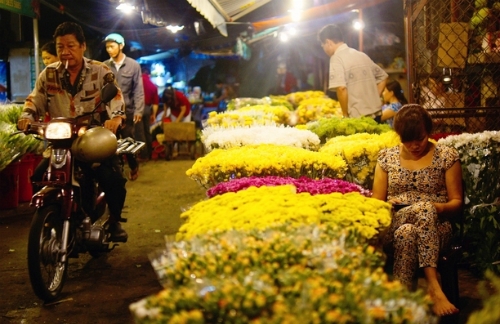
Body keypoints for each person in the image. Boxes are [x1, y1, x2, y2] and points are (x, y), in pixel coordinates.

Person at [17, 22, 128, 242]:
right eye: (60, 47)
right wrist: (26, 117)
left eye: (70, 46)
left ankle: (114, 220)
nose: (65, 51)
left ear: (82, 46)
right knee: (39, 176)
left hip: (93, 140)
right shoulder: (48, 74)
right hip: (61, 143)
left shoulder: (100, 70)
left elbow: (116, 97)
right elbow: (34, 100)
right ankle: (54, 217)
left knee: (112, 179)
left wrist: (116, 117)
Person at [371, 104, 462, 317]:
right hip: (395, 220)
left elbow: (457, 201)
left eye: (419, 138)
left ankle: (403, 303)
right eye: (406, 140)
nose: (414, 145)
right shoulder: (386, 158)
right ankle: (433, 284)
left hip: (438, 225)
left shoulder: (446, 156)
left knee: (408, 233)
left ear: (428, 131)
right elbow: (377, 202)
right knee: (409, 223)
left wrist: (435, 208)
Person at [318, 24, 388, 119]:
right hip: (377, 113)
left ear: (328, 42)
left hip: (358, 118)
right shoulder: (361, 55)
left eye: (323, 46)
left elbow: (341, 88)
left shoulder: (336, 58)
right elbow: (383, 77)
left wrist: (345, 114)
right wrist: (375, 97)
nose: (324, 49)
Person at [104, 33, 144, 179]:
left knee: (128, 141)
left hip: (127, 110)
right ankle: (116, 171)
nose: (109, 49)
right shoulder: (104, 66)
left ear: (121, 46)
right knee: (110, 143)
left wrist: (139, 110)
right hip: (109, 112)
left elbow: (138, 90)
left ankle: (133, 166)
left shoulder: (133, 65)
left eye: (112, 46)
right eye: (107, 47)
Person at [140, 65, 159, 160]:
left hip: (137, 108)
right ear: (149, 74)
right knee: (147, 131)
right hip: (147, 109)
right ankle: (150, 154)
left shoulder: (137, 81)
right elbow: (155, 103)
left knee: (139, 132)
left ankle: (143, 155)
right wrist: (153, 115)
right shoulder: (153, 85)